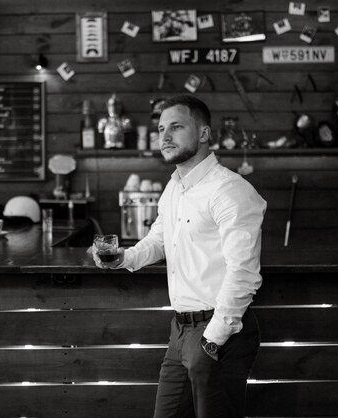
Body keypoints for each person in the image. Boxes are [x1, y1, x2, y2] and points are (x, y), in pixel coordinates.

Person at [90, 94, 267, 418]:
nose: (165, 136)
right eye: (160, 129)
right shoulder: (175, 187)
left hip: (218, 331)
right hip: (180, 330)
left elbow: (243, 272)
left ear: (203, 134)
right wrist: (123, 258)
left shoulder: (230, 190)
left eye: (176, 126)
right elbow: (159, 238)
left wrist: (212, 340)